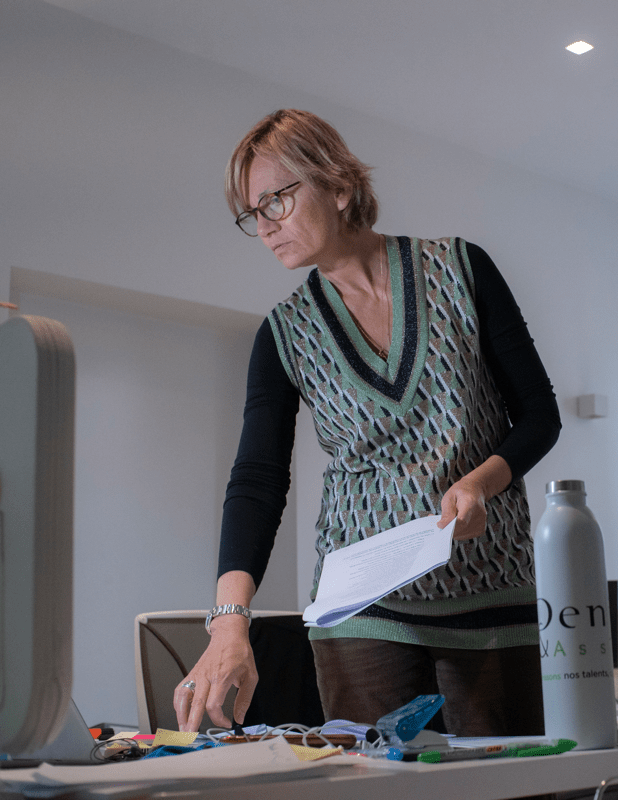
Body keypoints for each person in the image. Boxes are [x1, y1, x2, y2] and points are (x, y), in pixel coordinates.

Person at [174, 109, 561, 738]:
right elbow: (257, 480)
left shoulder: (462, 270)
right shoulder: (284, 335)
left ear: (338, 186)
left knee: (503, 776)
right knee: (373, 777)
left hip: (490, 592)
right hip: (361, 609)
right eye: (251, 214)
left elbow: (539, 415)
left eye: (275, 201)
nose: (265, 227)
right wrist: (229, 622)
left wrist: (480, 483)